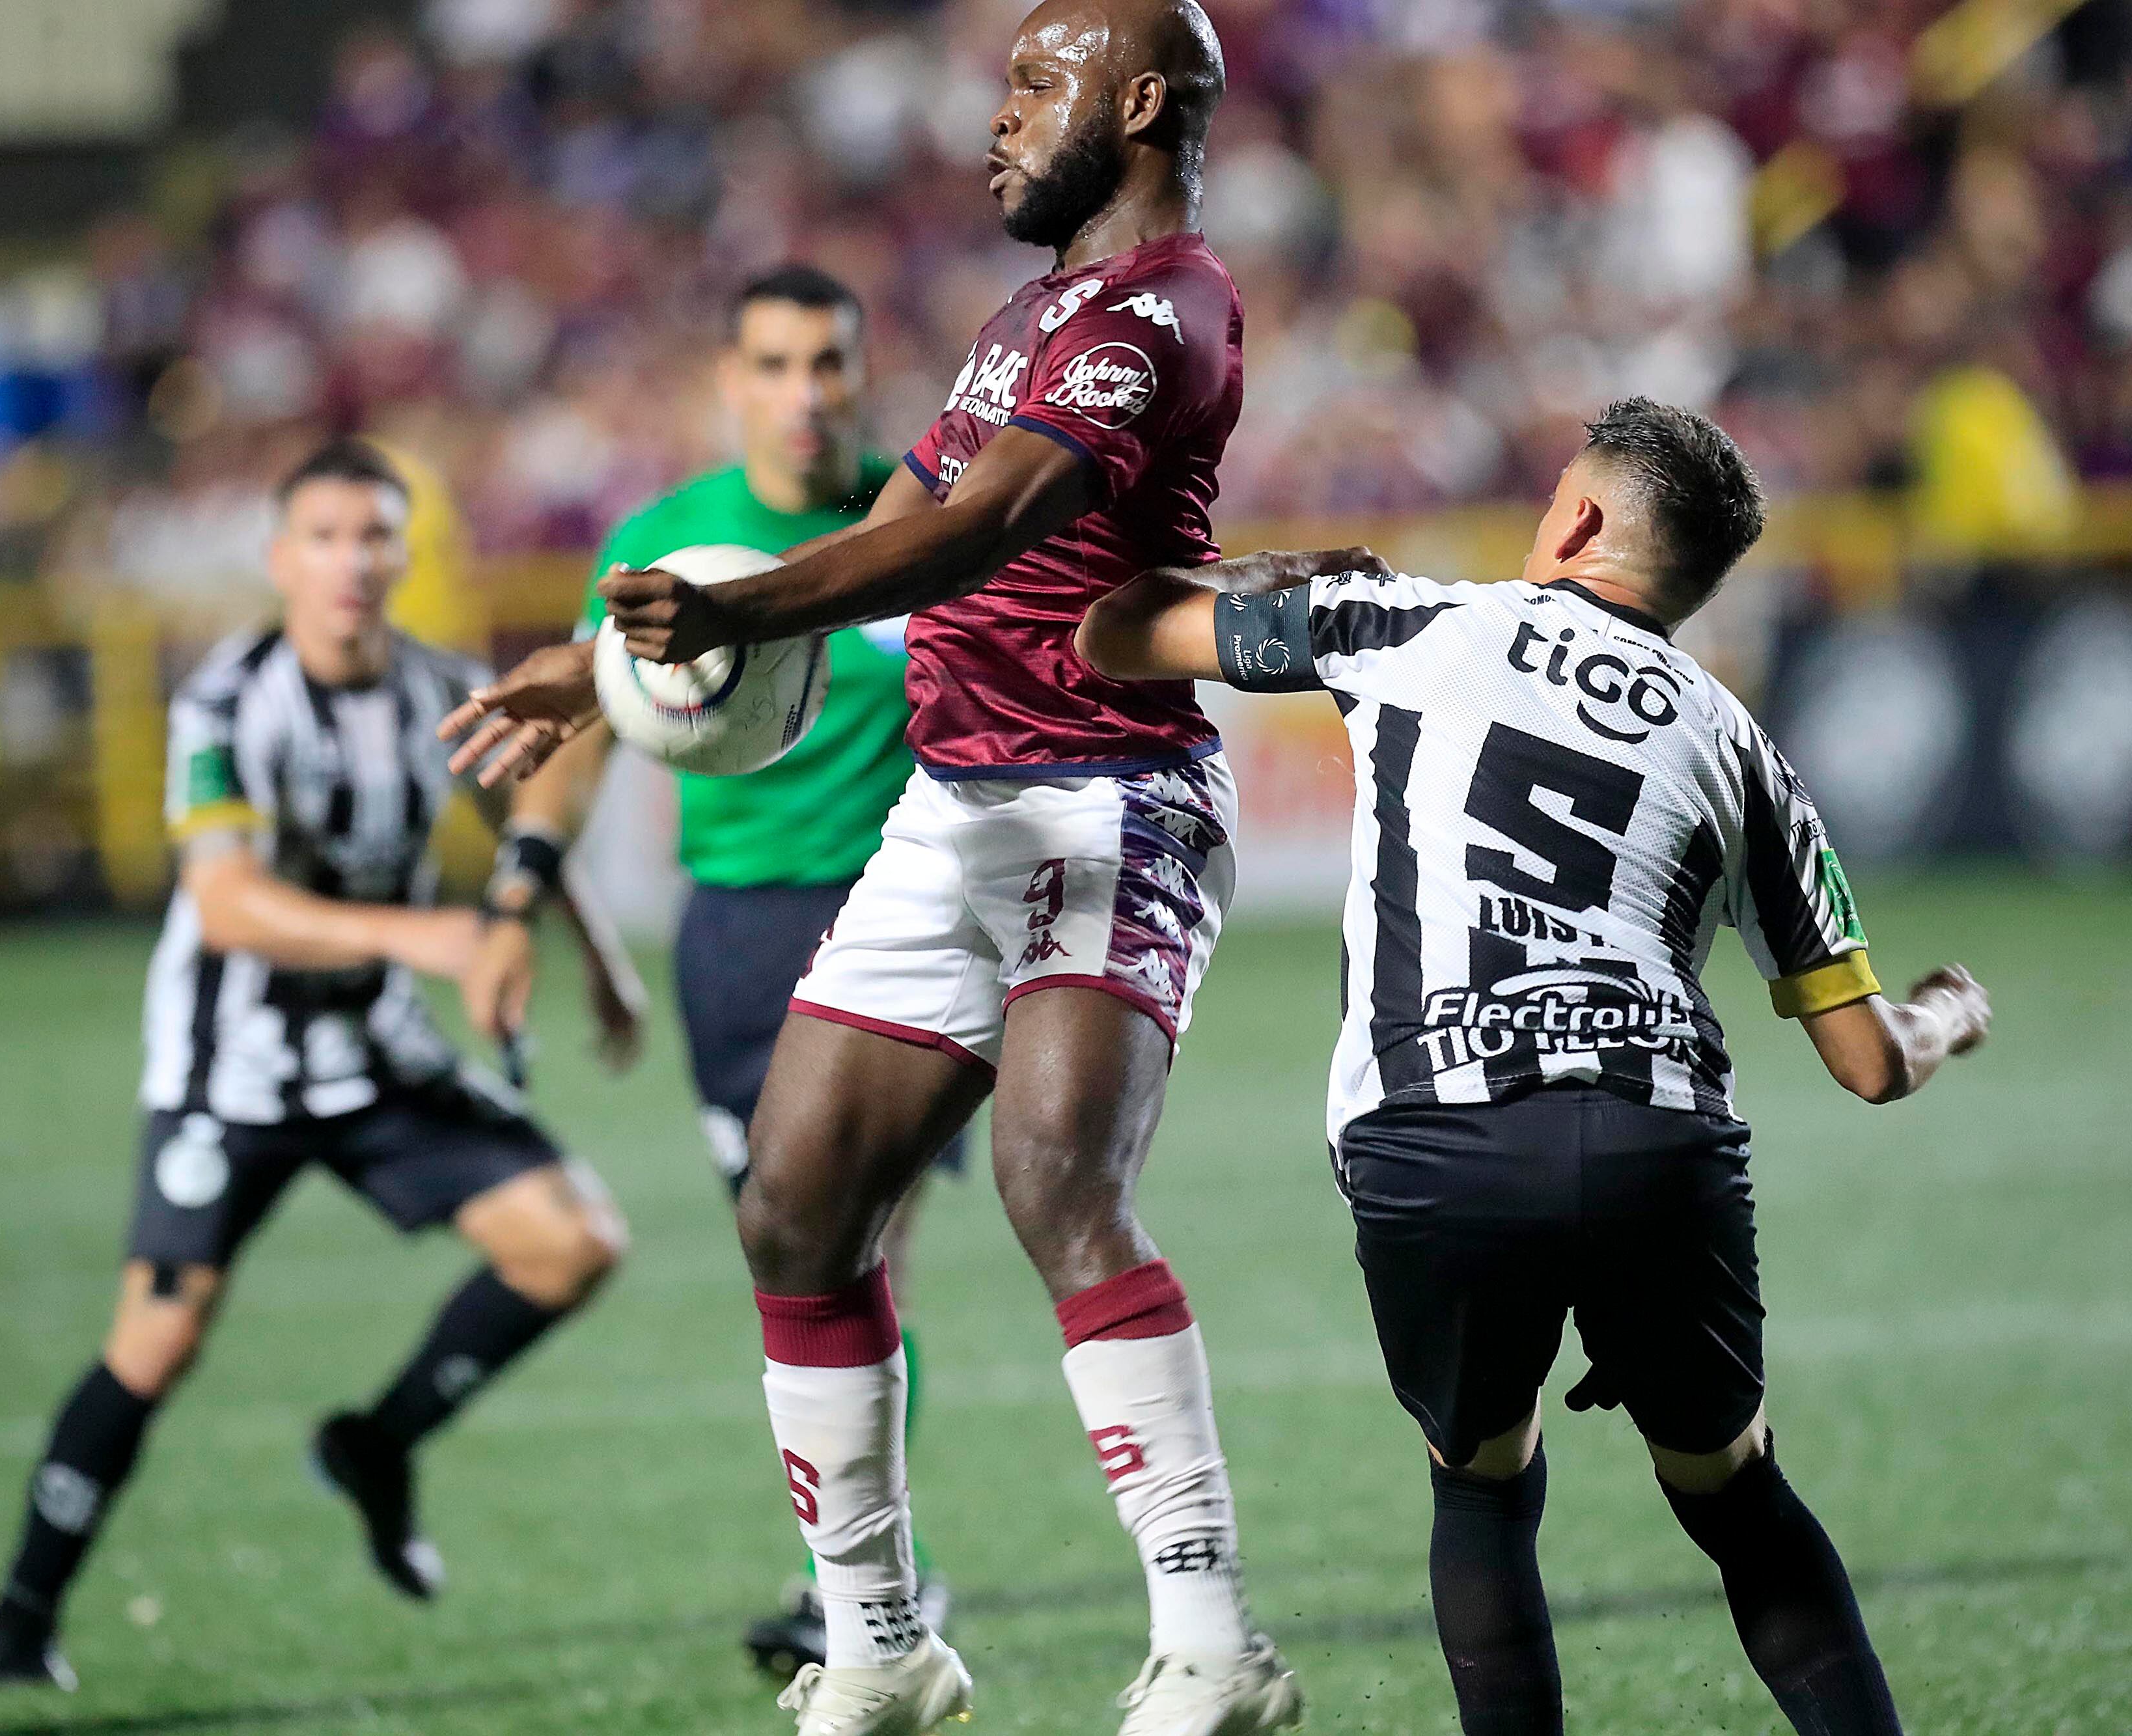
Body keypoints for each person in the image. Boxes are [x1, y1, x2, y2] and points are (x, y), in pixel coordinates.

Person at [442, 4, 1305, 1731]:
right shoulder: (1023, 316)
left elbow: (981, 527)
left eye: (1032, 86)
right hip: (959, 806)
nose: (994, 121)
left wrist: (738, 610)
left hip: (1109, 795)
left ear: (1138, 105)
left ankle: (1214, 1644)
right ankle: (881, 1642)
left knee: (1059, 1177)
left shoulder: (1164, 308)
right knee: (794, 1202)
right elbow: (892, 512)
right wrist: (597, 670)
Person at [1075, 397, 1994, 1736]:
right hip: (1653, 1131)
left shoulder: (1409, 623)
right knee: (1733, 1492)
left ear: (1572, 518)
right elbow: (1866, 1060)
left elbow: (1114, 634)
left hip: (1437, 1130)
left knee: (1481, 1483)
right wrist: (1948, 1016)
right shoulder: (1742, 747)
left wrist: (1264, 570)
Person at [0, 439, 641, 1690]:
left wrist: (594, 955)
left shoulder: (438, 684)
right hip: (232, 1071)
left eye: (376, 534)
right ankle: (20, 1615)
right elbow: (224, 906)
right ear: (281, 559)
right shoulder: (222, 704)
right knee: (159, 1342)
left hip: (377, 1056)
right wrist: (437, 935)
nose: (352, 561)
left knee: (573, 1242)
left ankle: (378, 1446)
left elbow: (527, 812)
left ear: (404, 552)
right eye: (325, 537)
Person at [529, 262, 965, 1674]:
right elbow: (582, 726)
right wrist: (521, 888)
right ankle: (868, 1575)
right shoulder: (667, 541)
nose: (803, 392)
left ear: (858, 369)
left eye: (826, 362)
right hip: (732, 935)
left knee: (864, 1241)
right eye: (771, 365)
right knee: (786, 1257)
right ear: (728, 381)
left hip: (896, 914)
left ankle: (860, 1586)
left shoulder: (914, 526)